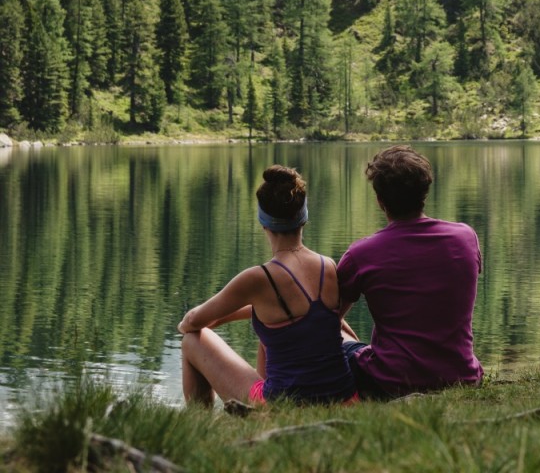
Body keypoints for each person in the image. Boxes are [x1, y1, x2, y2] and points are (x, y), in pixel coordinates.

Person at [178, 165, 357, 407]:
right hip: (345, 398)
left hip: (281, 404)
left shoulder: (258, 278)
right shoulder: (329, 266)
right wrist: (225, 317)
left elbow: (192, 322)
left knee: (192, 340)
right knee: (275, 332)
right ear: (304, 218)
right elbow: (304, 318)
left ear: (264, 223)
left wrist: (203, 321)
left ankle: (202, 426)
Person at [337, 145, 483, 399]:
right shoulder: (465, 237)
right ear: (424, 192)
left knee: (336, 336)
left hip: (389, 383)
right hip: (463, 377)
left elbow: (327, 318)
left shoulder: (361, 254)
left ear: (380, 200)